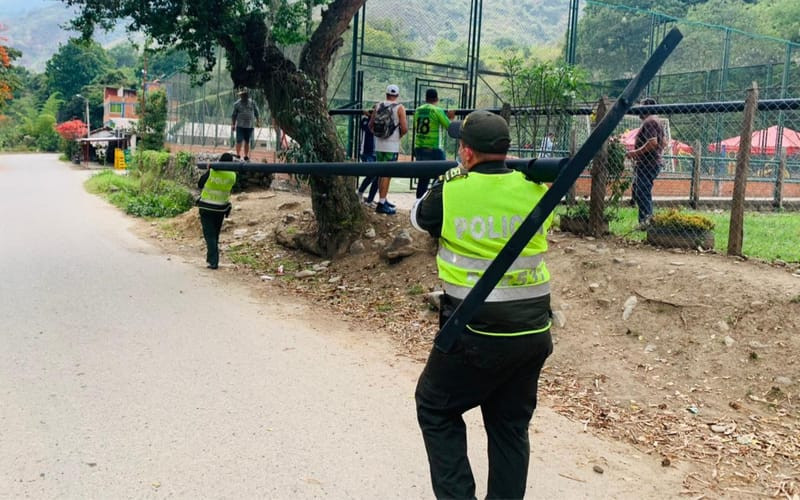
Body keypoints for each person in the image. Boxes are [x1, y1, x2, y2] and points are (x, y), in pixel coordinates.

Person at [411, 110, 554, 500]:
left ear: (467, 153)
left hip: (475, 333)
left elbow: (420, 218)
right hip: (533, 332)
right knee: (509, 426)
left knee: (435, 405)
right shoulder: (535, 190)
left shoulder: (452, 191)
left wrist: (449, 177)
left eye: (461, 146)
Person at [626, 97, 665, 228]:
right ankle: (645, 220)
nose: (638, 111)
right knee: (639, 190)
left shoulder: (650, 121)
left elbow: (652, 142)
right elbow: (663, 142)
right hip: (649, 162)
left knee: (642, 191)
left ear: (647, 108)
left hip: (648, 163)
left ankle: (646, 221)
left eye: (641, 107)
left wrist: (635, 153)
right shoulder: (656, 121)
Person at [369, 84, 408, 215]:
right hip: (392, 146)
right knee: (387, 174)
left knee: (381, 172)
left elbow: (371, 125)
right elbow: (405, 128)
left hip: (379, 145)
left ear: (386, 94)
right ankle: (381, 203)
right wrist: (398, 136)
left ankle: (383, 199)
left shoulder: (378, 105)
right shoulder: (400, 108)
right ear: (397, 95)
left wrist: (380, 135)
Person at [197, 152, 237, 269]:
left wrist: (209, 169)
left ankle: (213, 261)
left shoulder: (212, 171)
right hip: (221, 209)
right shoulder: (233, 175)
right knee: (215, 234)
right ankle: (212, 259)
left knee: (209, 235)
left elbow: (200, 184)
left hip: (206, 207)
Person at [413, 89, 455, 199]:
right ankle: (433, 200)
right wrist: (450, 118)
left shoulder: (418, 110)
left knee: (423, 178)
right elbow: (449, 126)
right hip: (434, 148)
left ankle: (418, 205)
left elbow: (415, 125)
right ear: (437, 99)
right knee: (441, 176)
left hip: (419, 147)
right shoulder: (437, 110)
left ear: (426, 99)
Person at [356, 109, 379, 206]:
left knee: (378, 176)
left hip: (376, 152)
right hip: (366, 152)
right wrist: (370, 116)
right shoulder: (365, 121)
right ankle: (360, 192)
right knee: (371, 174)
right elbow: (369, 128)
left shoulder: (379, 122)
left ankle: (370, 200)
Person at [231, 88, 260, 161]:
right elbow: (234, 115)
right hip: (240, 125)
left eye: (245, 95)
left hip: (249, 125)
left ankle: (246, 155)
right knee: (239, 140)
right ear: (240, 95)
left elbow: (256, 112)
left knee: (247, 141)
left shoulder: (252, 103)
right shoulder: (237, 104)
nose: (244, 96)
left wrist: (258, 121)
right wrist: (233, 124)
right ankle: (238, 154)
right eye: (242, 95)